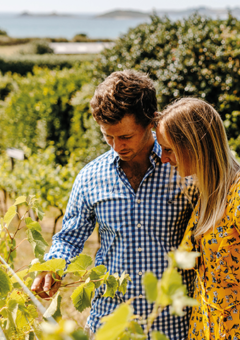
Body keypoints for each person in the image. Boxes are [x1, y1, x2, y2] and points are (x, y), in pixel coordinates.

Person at [30, 70, 197, 339]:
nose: (117, 146)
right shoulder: (90, 177)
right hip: (111, 321)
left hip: (173, 323)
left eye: (125, 137)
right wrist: (53, 266)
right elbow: (70, 237)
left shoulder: (184, 168)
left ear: (151, 123)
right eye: (108, 137)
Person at [155, 97, 240, 340]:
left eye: (168, 149)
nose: (164, 159)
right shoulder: (208, 192)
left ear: (194, 145)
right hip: (207, 329)